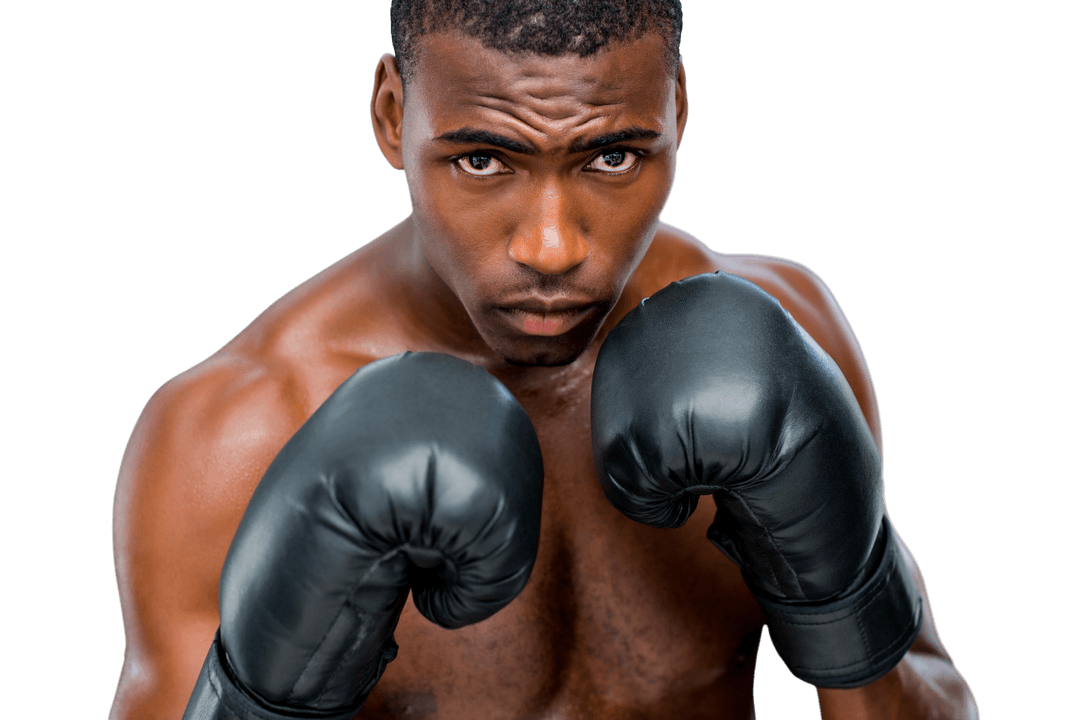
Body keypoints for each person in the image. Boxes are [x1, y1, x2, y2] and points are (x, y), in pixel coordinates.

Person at [109, 2, 978, 719]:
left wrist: (841, 608)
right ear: (390, 113)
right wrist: (263, 698)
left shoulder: (786, 341)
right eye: (483, 159)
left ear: (677, 108)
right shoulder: (237, 435)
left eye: (612, 156)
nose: (553, 247)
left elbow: (929, 698)